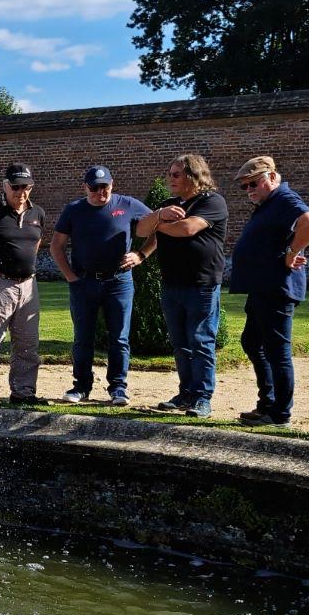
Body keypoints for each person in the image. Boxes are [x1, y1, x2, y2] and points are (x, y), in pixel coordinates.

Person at [227, 156, 309, 429]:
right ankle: (267, 403)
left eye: (253, 183)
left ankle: (280, 414)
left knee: (276, 351)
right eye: (244, 186)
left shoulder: (284, 198)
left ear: (271, 176)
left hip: (276, 288)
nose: (249, 190)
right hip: (261, 287)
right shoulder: (269, 203)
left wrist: (292, 252)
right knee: (252, 342)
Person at [50, 165, 154, 407]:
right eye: (94, 188)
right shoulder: (74, 210)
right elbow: (56, 245)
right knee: (83, 337)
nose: (100, 192)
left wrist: (141, 255)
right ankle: (81, 386)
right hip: (84, 282)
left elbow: (157, 226)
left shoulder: (127, 204)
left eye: (104, 187)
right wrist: (70, 277)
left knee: (119, 337)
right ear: (85, 188)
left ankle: (118, 388)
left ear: (112, 184)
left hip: (119, 281)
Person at [136, 153, 229, 418]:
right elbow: (141, 230)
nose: (171, 179)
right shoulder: (168, 205)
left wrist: (159, 224)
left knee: (201, 341)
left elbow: (187, 229)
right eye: (169, 174)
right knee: (180, 344)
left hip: (201, 284)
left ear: (193, 175)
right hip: (171, 284)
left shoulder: (212, 201)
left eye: (176, 174)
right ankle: (186, 393)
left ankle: (202, 398)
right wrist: (159, 215)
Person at [0, 164, 48, 407]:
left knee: (27, 342)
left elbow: (35, 244)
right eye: (16, 187)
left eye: (26, 187)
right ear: (5, 186)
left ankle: (23, 392)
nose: (21, 192)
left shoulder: (38, 213)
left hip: (28, 285)